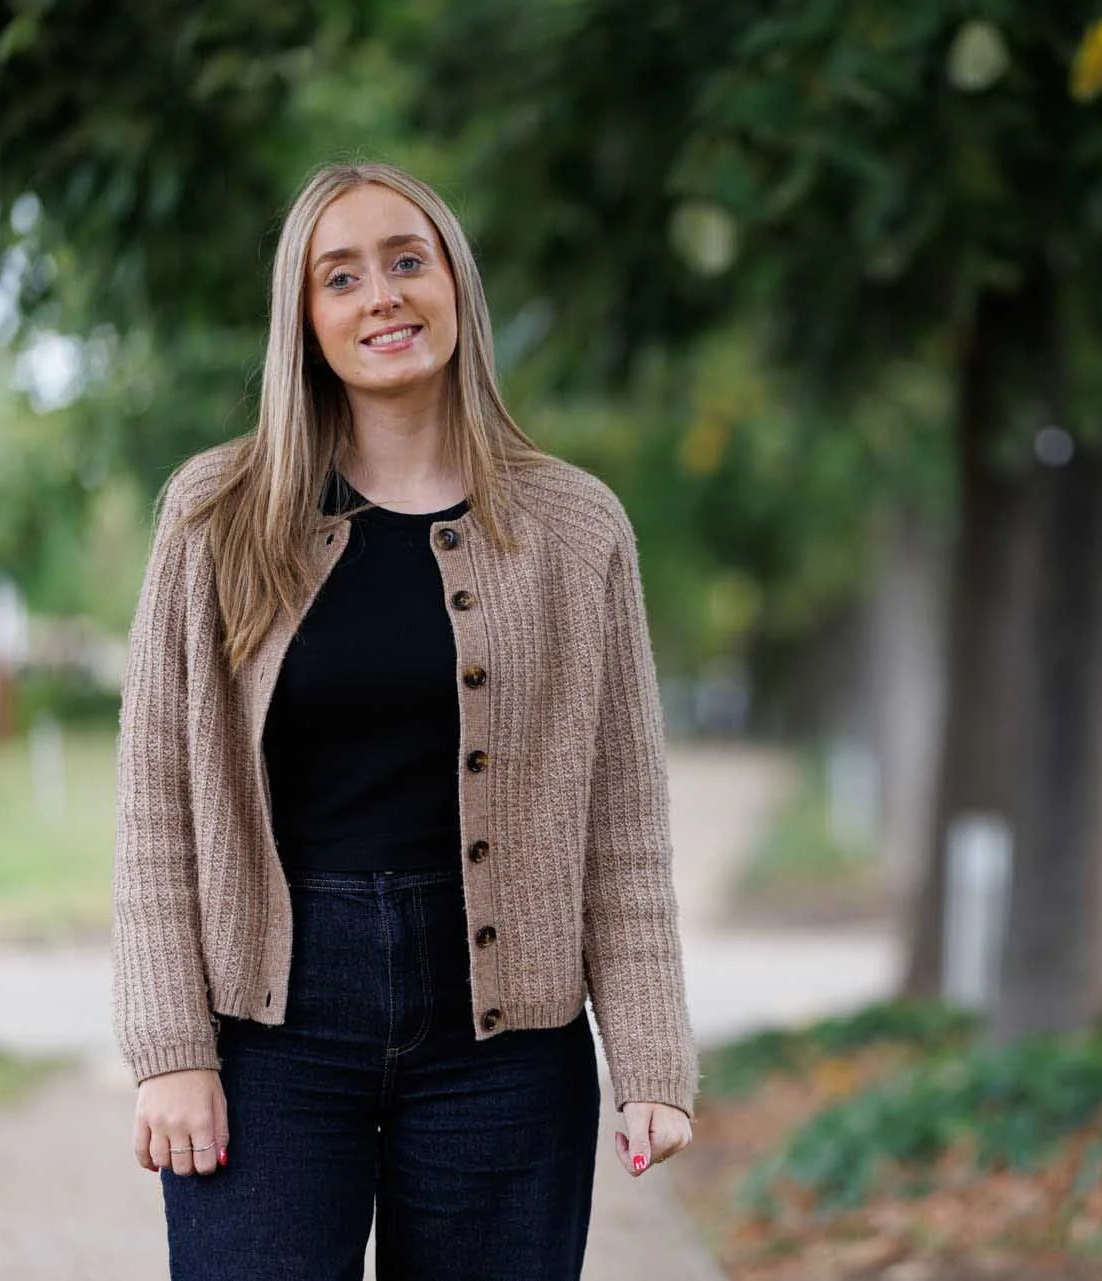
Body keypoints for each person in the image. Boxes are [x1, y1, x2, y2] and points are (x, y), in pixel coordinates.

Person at [110, 161, 696, 1280]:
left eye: (406, 261)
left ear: (456, 290)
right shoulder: (215, 517)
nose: (381, 295)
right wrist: (169, 1050)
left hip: (504, 1041)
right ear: (306, 322)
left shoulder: (576, 529)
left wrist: (653, 1057)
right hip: (270, 1030)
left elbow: (622, 820)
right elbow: (155, 807)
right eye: (341, 277)